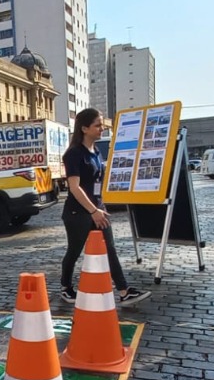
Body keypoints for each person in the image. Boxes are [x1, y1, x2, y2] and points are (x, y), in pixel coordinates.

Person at [58, 108, 150, 306]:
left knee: (110, 249)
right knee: (74, 251)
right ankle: (65, 288)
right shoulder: (74, 154)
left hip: (98, 209)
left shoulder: (96, 151)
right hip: (78, 213)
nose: (101, 129)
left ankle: (124, 291)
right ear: (84, 128)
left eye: (102, 125)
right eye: (97, 125)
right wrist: (92, 211)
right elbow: (74, 188)